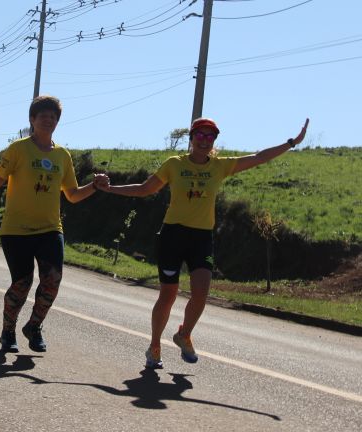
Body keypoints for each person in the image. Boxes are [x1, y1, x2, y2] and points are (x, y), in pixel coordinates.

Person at [95, 117, 309, 368]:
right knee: (168, 294)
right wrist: (110, 189)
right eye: (201, 135)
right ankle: (154, 346)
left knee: (201, 293)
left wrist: (292, 142)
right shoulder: (174, 164)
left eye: (211, 137)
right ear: (192, 138)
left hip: (201, 237)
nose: (205, 141)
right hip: (173, 235)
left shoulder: (219, 166)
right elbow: (145, 189)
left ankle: (183, 334)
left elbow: (259, 157)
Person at [0, 95, 105, 353]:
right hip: (16, 230)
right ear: (32, 120)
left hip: (50, 229)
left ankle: (34, 326)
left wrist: (95, 186)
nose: (48, 120)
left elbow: (73, 194)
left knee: (52, 281)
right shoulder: (18, 149)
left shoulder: (62, 156)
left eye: (53, 117)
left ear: (57, 122)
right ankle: (8, 331)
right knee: (22, 283)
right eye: (43, 116)